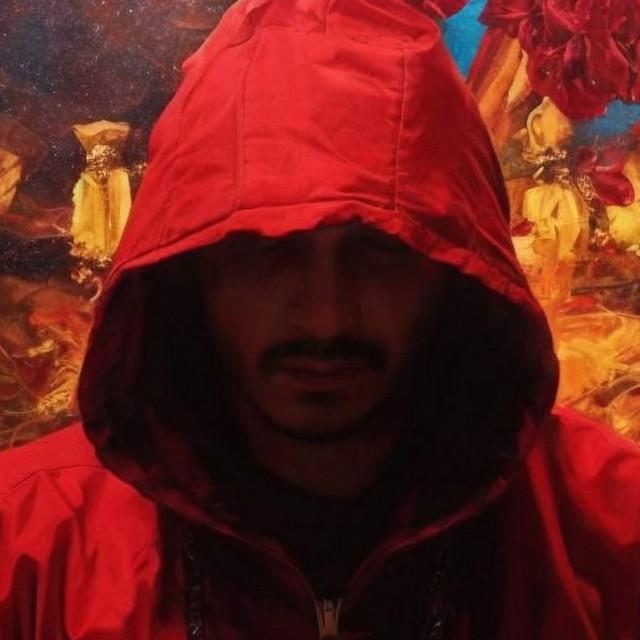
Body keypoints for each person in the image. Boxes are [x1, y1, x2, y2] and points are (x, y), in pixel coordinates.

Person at [1, 0, 639, 638]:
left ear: (451, 271)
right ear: (189, 271)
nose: (326, 317)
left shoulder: (610, 530)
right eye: (267, 250)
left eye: (380, 250)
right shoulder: (29, 543)